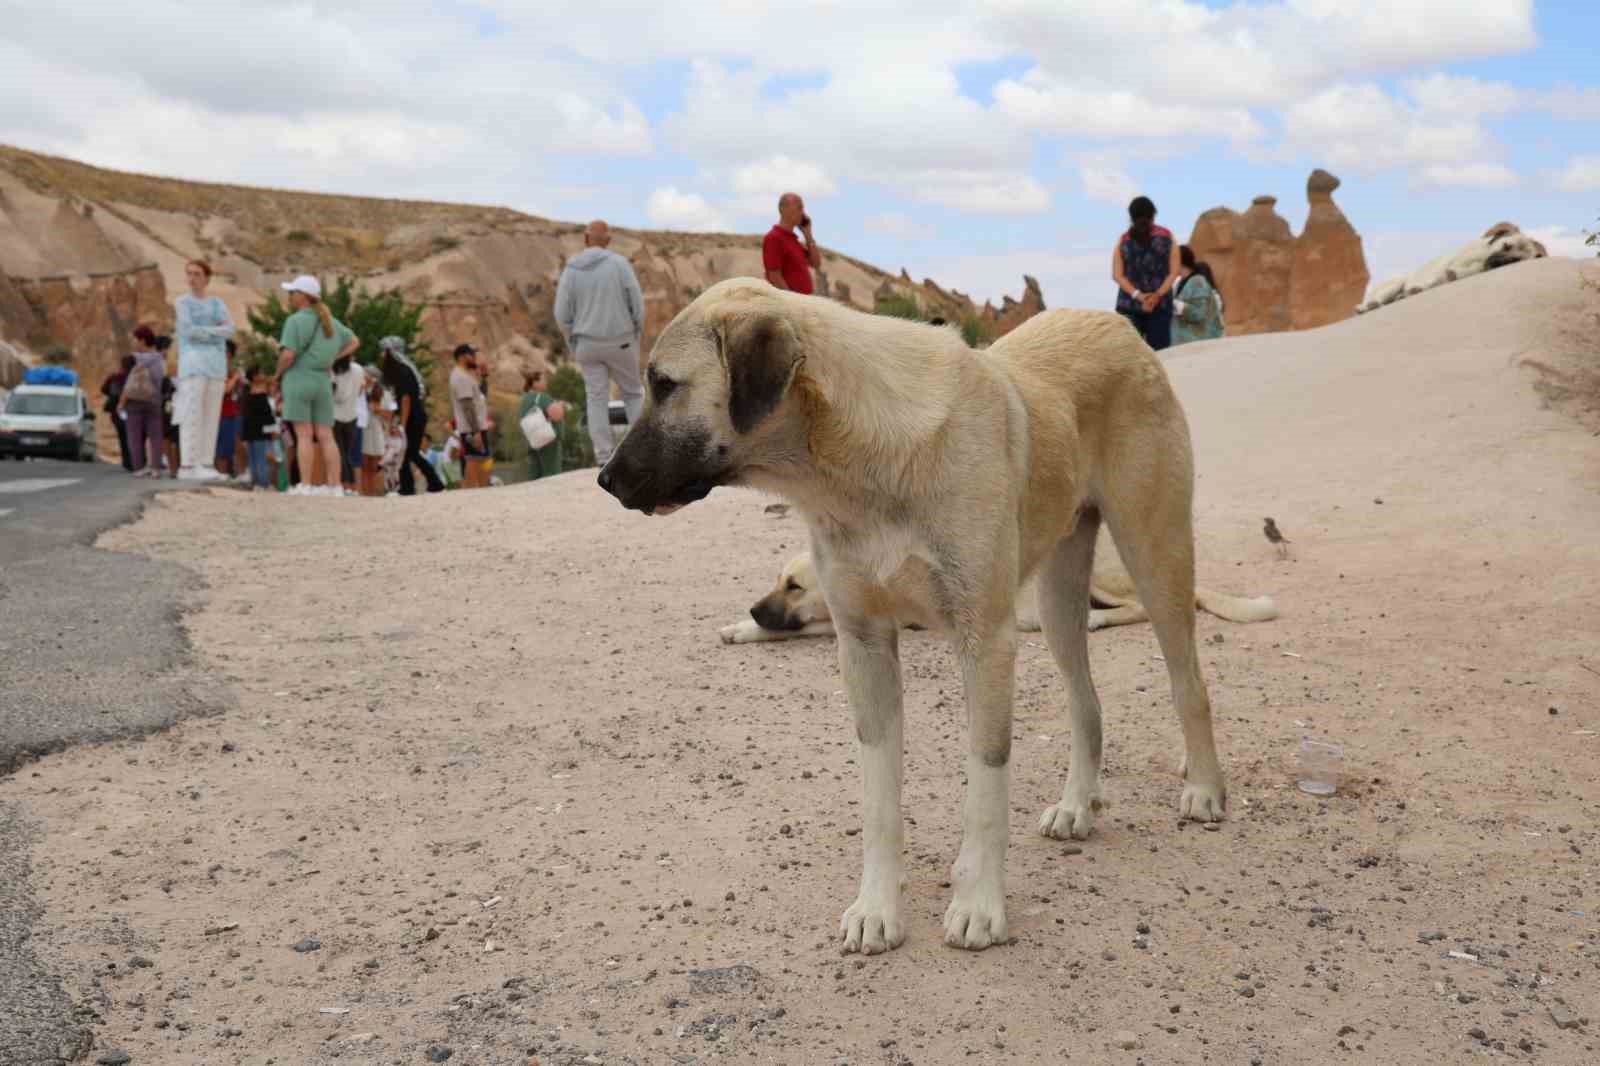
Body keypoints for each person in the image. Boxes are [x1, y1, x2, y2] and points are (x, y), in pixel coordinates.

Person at [554, 219, 645, 465]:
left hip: (586, 344)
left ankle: (603, 456)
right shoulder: (619, 264)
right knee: (633, 394)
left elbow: (561, 314)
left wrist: (572, 339)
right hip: (621, 340)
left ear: (585, 239)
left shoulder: (571, 269)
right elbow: (636, 303)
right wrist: (636, 330)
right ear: (607, 241)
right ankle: (641, 452)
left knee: (596, 398)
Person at [274, 274, 359, 497]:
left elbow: (288, 355)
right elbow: (354, 341)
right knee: (326, 435)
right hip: (323, 379)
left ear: (302, 296)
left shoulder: (294, 321)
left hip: (298, 378)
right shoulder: (331, 321)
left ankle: (307, 484)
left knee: (303, 434)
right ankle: (335, 486)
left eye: (292, 292)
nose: (290, 296)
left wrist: (277, 375)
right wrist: (333, 357)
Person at [174, 259, 235, 480]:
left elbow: (230, 329)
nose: (192, 278)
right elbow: (189, 331)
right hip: (193, 363)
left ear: (207, 278)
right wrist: (214, 330)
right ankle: (189, 464)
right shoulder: (182, 303)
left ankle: (205, 462)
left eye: (197, 274)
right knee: (192, 413)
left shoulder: (218, 303)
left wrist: (207, 331)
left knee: (211, 415)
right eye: (189, 273)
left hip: (216, 366)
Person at [1111, 196, 1181, 351]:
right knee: (1161, 355)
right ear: (1153, 214)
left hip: (1128, 305)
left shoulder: (1123, 241)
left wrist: (1139, 296)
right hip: (1160, 305)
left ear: (1131, 216)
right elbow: (1174, 272)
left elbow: (1117, 275)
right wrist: (1157, 295)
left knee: (1128, 355)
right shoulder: (1167, 237)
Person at [378, 336, 444, 495]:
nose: (380, 355)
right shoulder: (405, 370)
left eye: (382, 351)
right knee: (411, 452)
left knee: (406, 453)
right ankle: (434, 483)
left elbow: (406, 399)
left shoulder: (402, 371)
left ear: (389, 352)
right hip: (416, 415)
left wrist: (402, 424)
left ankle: (408, 488)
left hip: (412, 417)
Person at [118, 326, 167, 477]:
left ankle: (139, 468)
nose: (135, 343)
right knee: (156, 435)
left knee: (134, 435)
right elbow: (161, 381)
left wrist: (121, 403)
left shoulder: (134, 358)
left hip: (134, 402)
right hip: (154, 401)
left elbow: (128, 383)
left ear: (142, 340)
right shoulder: (160, 359)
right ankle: (156, 469)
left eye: (136, 340)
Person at [449, 343, 492, 488]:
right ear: (462, 356)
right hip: (471, 429)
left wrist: (484, 377)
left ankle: (479, 492)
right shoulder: (461, 377)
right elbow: (467, 406)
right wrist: (476, 432)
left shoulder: (466, 376)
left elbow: (480, 397)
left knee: (481, 461)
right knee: (473, 461)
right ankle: (469, 494)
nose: (474, 358)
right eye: (471, 354)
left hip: (476, 427)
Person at [762, 192, 820, 295]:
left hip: (802, 303)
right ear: (783, 209)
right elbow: (774, 276)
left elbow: (816, 263)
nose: (803, 213)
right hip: (790, 306)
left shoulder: (793, 240)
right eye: (799, 207)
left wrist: (808, 235)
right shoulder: (773, 238)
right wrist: (793, 303)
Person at [1172, 245, 1226, 346]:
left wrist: (1174, 304)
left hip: (1203, 344)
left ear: (1179, 262)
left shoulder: (1198, 282)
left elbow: (1199, 313)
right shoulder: (1179, 283)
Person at [518, 369, 567, 480]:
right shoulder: (541, 397)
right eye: (543, 380)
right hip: (549, 440)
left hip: (533, 441)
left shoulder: (525, 399)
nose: (546, 382)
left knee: (535, 473)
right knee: (552, 473)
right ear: (535, 383)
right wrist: (560, 406)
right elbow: (556, 415)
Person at [331, 350, 366, 496]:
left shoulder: (335, 369)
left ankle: (344, 485)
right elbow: (359, 391)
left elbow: (337, 395)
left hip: (335, 415)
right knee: (349, 452)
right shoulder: (359, 369)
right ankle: (352, 486)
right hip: (352, 415)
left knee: (340, 452)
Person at [213, 340, 245, 478]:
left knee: (230, 447)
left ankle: (231, 474)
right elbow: (225, 390)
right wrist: (235, 378)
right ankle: (222, 475)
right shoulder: (217, 370)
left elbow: (236, 392)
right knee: (221, 449)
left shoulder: (230, 370)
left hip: (230, 412)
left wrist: (239, 381)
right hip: (220, 413)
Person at [240, 367, 275, 491]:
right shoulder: (261, 396)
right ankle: (263, 482)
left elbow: (244, 415)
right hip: (261, 432)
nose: (264, 375)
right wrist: (272, 430)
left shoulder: (246, 394)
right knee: (261, 457)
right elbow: (268, 416)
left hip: (250, 431)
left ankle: (255, 482)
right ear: (255, 377)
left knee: (253, 458)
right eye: (261, 373)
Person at [101, 356, 133, 470]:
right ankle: (136, 460)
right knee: (135, 436)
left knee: (122, 436)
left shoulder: (114, 377)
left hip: (116, 411)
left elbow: (103, 389)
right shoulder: (135, 378)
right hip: (132, 410)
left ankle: (126, 461)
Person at [156, 336, 182, 477]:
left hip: (166, 405)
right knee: (175, 438)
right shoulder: (174, 365)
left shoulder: (163, 365)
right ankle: (175, 468)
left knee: (169, 437)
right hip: (176, 404)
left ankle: (173, 469)